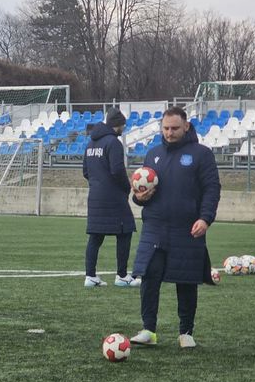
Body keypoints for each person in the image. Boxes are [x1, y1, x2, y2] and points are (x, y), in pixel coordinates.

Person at [129, 105, 221, 349]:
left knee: (186, 280)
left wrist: (205, 218)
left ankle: (186, 332)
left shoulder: (201, 154)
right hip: (155, 227)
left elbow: (212, 189)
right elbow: (140, 192)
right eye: (166, 128)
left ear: (186, 126)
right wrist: (139, 198)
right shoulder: (153, 154)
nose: (169, 133)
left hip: (187, 227)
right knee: (149, 276)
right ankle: (149, 329)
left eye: (175, 128)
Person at [81, 109, 138, 288]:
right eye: (123, 125)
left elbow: (85, 171)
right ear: (117, 124)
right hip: (113, 196)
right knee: (125, 231)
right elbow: (117, 170)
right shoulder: (114, 143)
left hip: (95, 196)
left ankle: (90, 276)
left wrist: (98, 184)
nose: (124, 128)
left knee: (95, 236)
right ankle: (121, 275)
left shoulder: (90, 144)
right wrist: (126, 187)